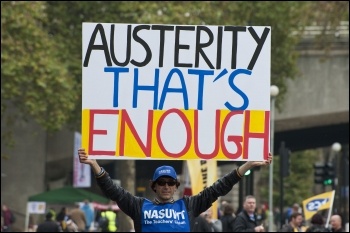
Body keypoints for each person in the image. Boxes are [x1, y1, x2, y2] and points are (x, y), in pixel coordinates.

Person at [78, 148, 272, 232]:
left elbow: (219, 188)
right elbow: (114, 191)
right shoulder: (139, 206)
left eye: (170, 183)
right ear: (154, 186)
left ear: (176, 186)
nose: (166, 186)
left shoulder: (188, 205)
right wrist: (95, 165)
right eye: (161, 182)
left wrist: (247, 165)